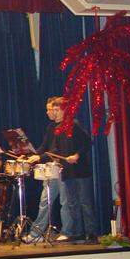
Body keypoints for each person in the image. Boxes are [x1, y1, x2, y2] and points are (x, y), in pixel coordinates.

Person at [51, 98, 96, 244]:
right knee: (72, 203)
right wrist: (55, 158)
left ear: (65, 110)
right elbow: (57, 148)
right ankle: (77, 232)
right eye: (54, 110)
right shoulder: (58, 129)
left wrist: (76, 155)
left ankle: (90, 232)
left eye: (57, 110)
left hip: (80, 170)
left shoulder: (74, 125)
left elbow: (87, 142)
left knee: (84, 202)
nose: (55, 113)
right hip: (67, 171)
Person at [21, 97, 61, 242]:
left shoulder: (64, 127)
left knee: (53, 202)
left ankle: (36, 234)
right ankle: (38, 233)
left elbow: (57, 149)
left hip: (59, 168)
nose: (48, 112)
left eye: (50, 109)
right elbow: (44, 146)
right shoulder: (51, 127)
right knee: (46, 201)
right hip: (51, 168)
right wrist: (31, 156)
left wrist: (40, 157)